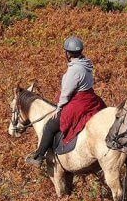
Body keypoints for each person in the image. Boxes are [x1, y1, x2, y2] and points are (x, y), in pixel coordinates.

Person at [25, 36, 106, 165]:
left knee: (50, 126)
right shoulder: (86, 64)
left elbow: (66, 93)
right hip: (91, 99)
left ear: (67, 53)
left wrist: (59, 108)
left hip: (79, 102)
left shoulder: (74, 70)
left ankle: (39, 157)